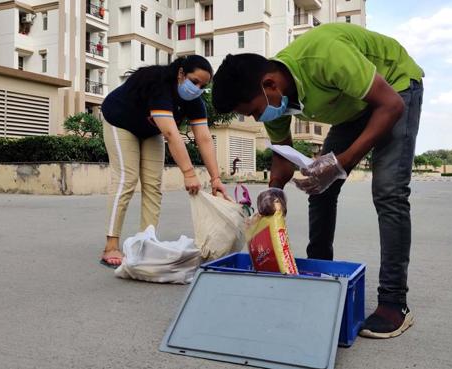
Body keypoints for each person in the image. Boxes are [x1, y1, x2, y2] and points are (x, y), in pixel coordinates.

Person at [211, 23, 423, 339]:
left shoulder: (324, 55)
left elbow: (390, 106)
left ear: (270, 84)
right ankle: (319, 271)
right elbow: (283, 155)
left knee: (389, 190)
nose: (257, 119)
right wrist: (274, 191)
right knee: (319, 188)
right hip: (354, 109)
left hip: (395, 88)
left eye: (254, 111)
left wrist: (341, 161)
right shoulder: (276, 97)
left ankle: (394, 302)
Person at [99, 55, 228, 268]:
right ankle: (111, 245)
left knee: (153, 185)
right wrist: (188, 173)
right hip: (119, 121)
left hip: (149, 130)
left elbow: (204, 138)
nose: (196, 88)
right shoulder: (159, 85)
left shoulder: (195, 102)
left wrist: (216, 178)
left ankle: (146, 242)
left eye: (203, 86)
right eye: (194, 81)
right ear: (181, 74)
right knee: (126, 179)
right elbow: (171, 132)